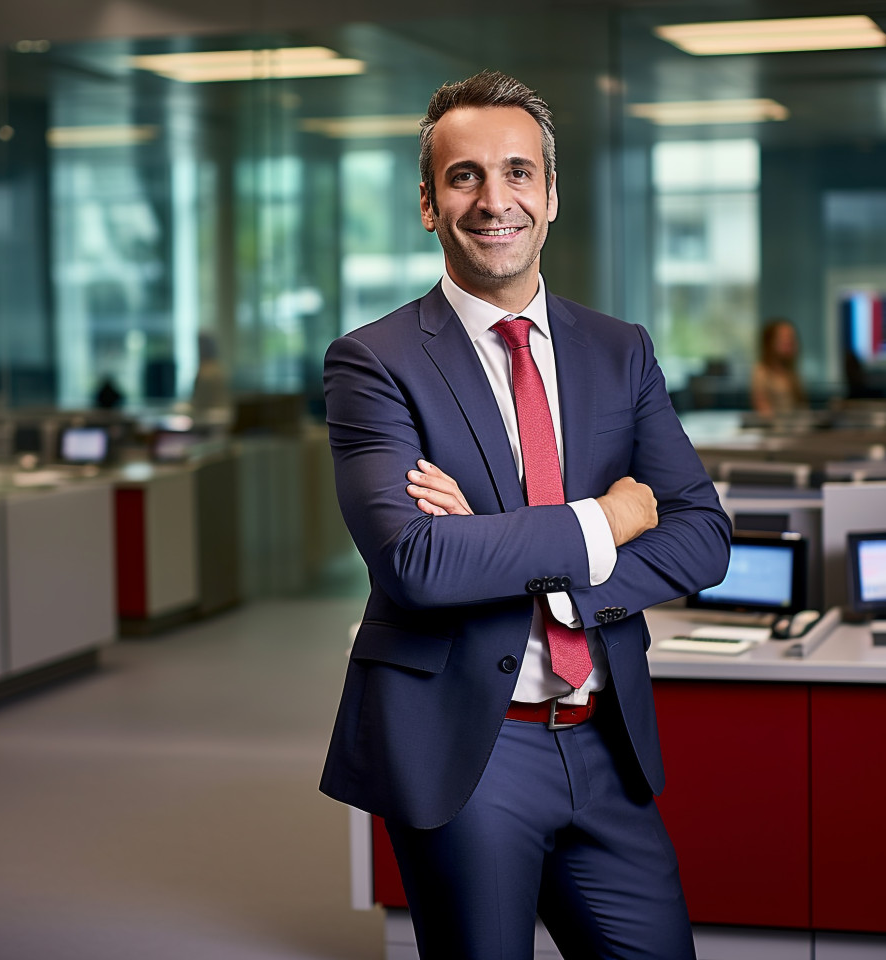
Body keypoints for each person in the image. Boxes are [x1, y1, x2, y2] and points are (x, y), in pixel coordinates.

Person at [319, 70, 731, 960]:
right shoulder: (374, 363)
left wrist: (505, 546)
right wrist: (607, 520)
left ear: (551, 194)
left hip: (604, 743)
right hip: (470, 748)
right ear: (428, 204)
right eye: (464, 176)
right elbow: (419, 564)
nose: (493, 198)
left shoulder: (620, 351)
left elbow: (703, 532)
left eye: (517, 172)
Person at [750, 318, 807, 417]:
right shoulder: (762, 372)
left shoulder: (792, 373)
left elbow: (802, 408)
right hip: (775, 429)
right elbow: (764, 411)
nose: (790, 343)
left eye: (791, 339)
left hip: (794, 428)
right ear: (770, 342)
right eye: (784, 339)